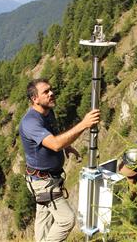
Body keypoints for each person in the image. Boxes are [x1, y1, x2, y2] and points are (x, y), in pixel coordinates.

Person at [19, 78, 100, 242]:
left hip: (47, 178)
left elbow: (52, 137)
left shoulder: (48, 112)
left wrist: (67, 147)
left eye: (51, 90)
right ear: (35, 99)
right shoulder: (30, 122)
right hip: (43, 182)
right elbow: (55, 144)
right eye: (46, 92)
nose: (51, 93)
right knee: (66, 219)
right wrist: (84, 124)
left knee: (44, 221)